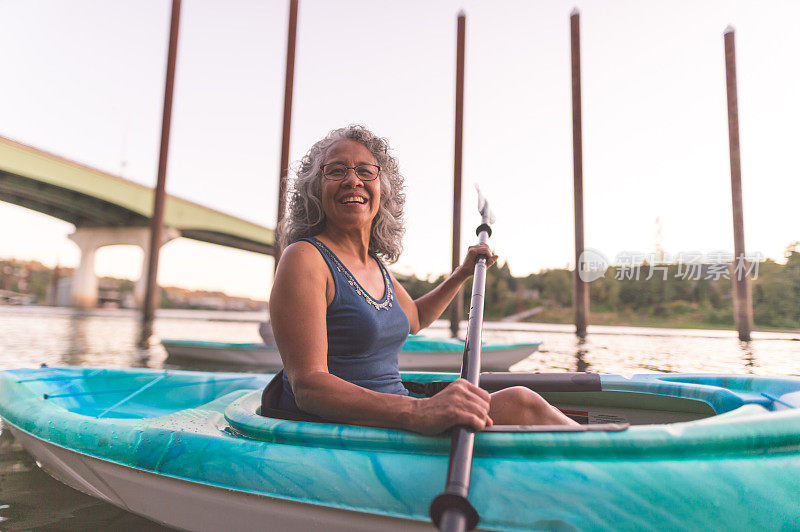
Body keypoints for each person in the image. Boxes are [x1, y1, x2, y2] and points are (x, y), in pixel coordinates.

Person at [268, 125, 576, 435]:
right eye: (335, 171)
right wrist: (420, 410)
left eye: (365, 171)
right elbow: (308, 386)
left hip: (397, 412)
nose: (352, 179)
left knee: (522, 403)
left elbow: (414, 318)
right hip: (351, 430)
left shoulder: (375, 265)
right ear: (315, 190)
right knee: (521, 402)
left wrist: (462, 274)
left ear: (383, 189)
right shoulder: (304, 258)